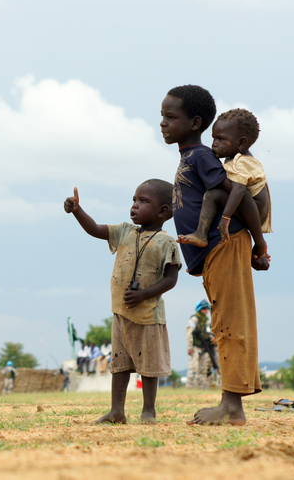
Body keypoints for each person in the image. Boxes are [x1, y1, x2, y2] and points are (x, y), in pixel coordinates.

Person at [160, 85, 269, 425]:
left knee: (229, 324)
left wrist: (257, 243)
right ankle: (230, 402)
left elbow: (242, 196)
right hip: (215, 251)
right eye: (162, 116)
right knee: (224, 322)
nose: (162, 123)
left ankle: (232, 407)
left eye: (170, 117)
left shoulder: (203, 158)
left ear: (194, 123)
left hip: (226, 244)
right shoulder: (192, 157)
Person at [64, 179, 181, 424]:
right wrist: (77, 211)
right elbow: (95, 229)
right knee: (119, 365)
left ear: (163, 211)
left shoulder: (166, 243)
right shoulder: (125, 231)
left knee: (149, 367)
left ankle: (149, 410)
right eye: (134, 200)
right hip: (121, 313)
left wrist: (143, 294)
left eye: (143, 201)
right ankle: (117, 410)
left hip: (148, 315)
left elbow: (171, 280)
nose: (135, 206)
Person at [176, 108, 272, 247]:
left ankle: (201, 234)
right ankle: (201, 234)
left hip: (254, 213)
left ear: (241, 143)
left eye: (221, 139)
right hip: (248, 209)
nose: (214, 143)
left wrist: (225, 218)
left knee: (213, 194)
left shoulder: (242, 161)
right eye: (214, 138)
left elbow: (239, 191)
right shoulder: (232, 159)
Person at [185, 300, 219, 389]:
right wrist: (190, 347)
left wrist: (212, 337)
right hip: (195, 347)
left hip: (204, 348)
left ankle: (200, 388)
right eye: (204, 308)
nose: (206, 310)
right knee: (193, 368)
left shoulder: (206, 322)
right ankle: (189, 387)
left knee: (203, 370)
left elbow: (209, 332)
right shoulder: (194, 319)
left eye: (207, 308)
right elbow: (189, 333)